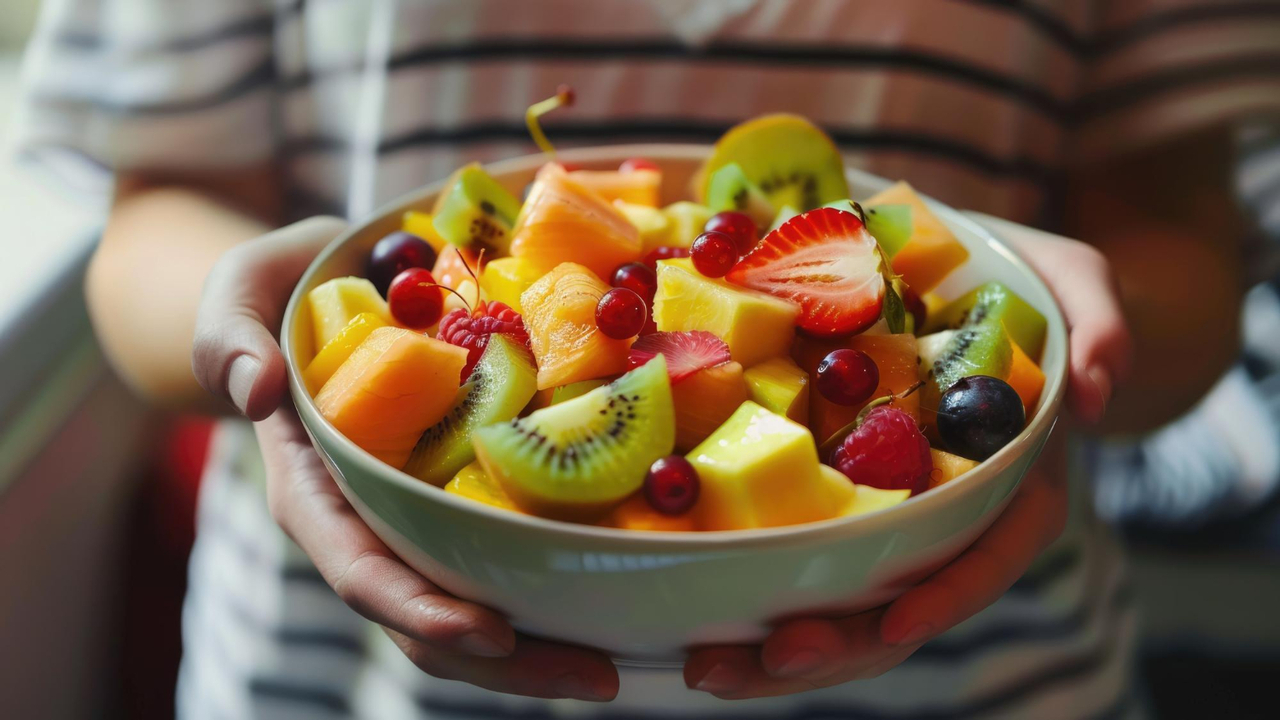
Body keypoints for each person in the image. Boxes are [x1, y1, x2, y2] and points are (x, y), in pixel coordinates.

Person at [14, 0, 1274, 717]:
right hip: (339, 675)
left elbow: (1173, 242)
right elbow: (161, 212)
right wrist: (266, 342)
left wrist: (1075, 356)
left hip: (985, 664)